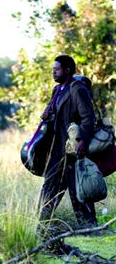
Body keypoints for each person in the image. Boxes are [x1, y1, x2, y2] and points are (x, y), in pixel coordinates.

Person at [39, 54, 97, 228]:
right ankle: (41, 224)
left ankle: (90, 227)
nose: (53, 73)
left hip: (74, 147)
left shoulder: (77, 88)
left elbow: (88, 118)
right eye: (53, 69)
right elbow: (54, 115)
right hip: (57, 147)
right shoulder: (58, 90)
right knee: (50, 184)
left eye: (56, 69)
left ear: (68, 70)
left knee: (78, 188)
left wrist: (82, 142)